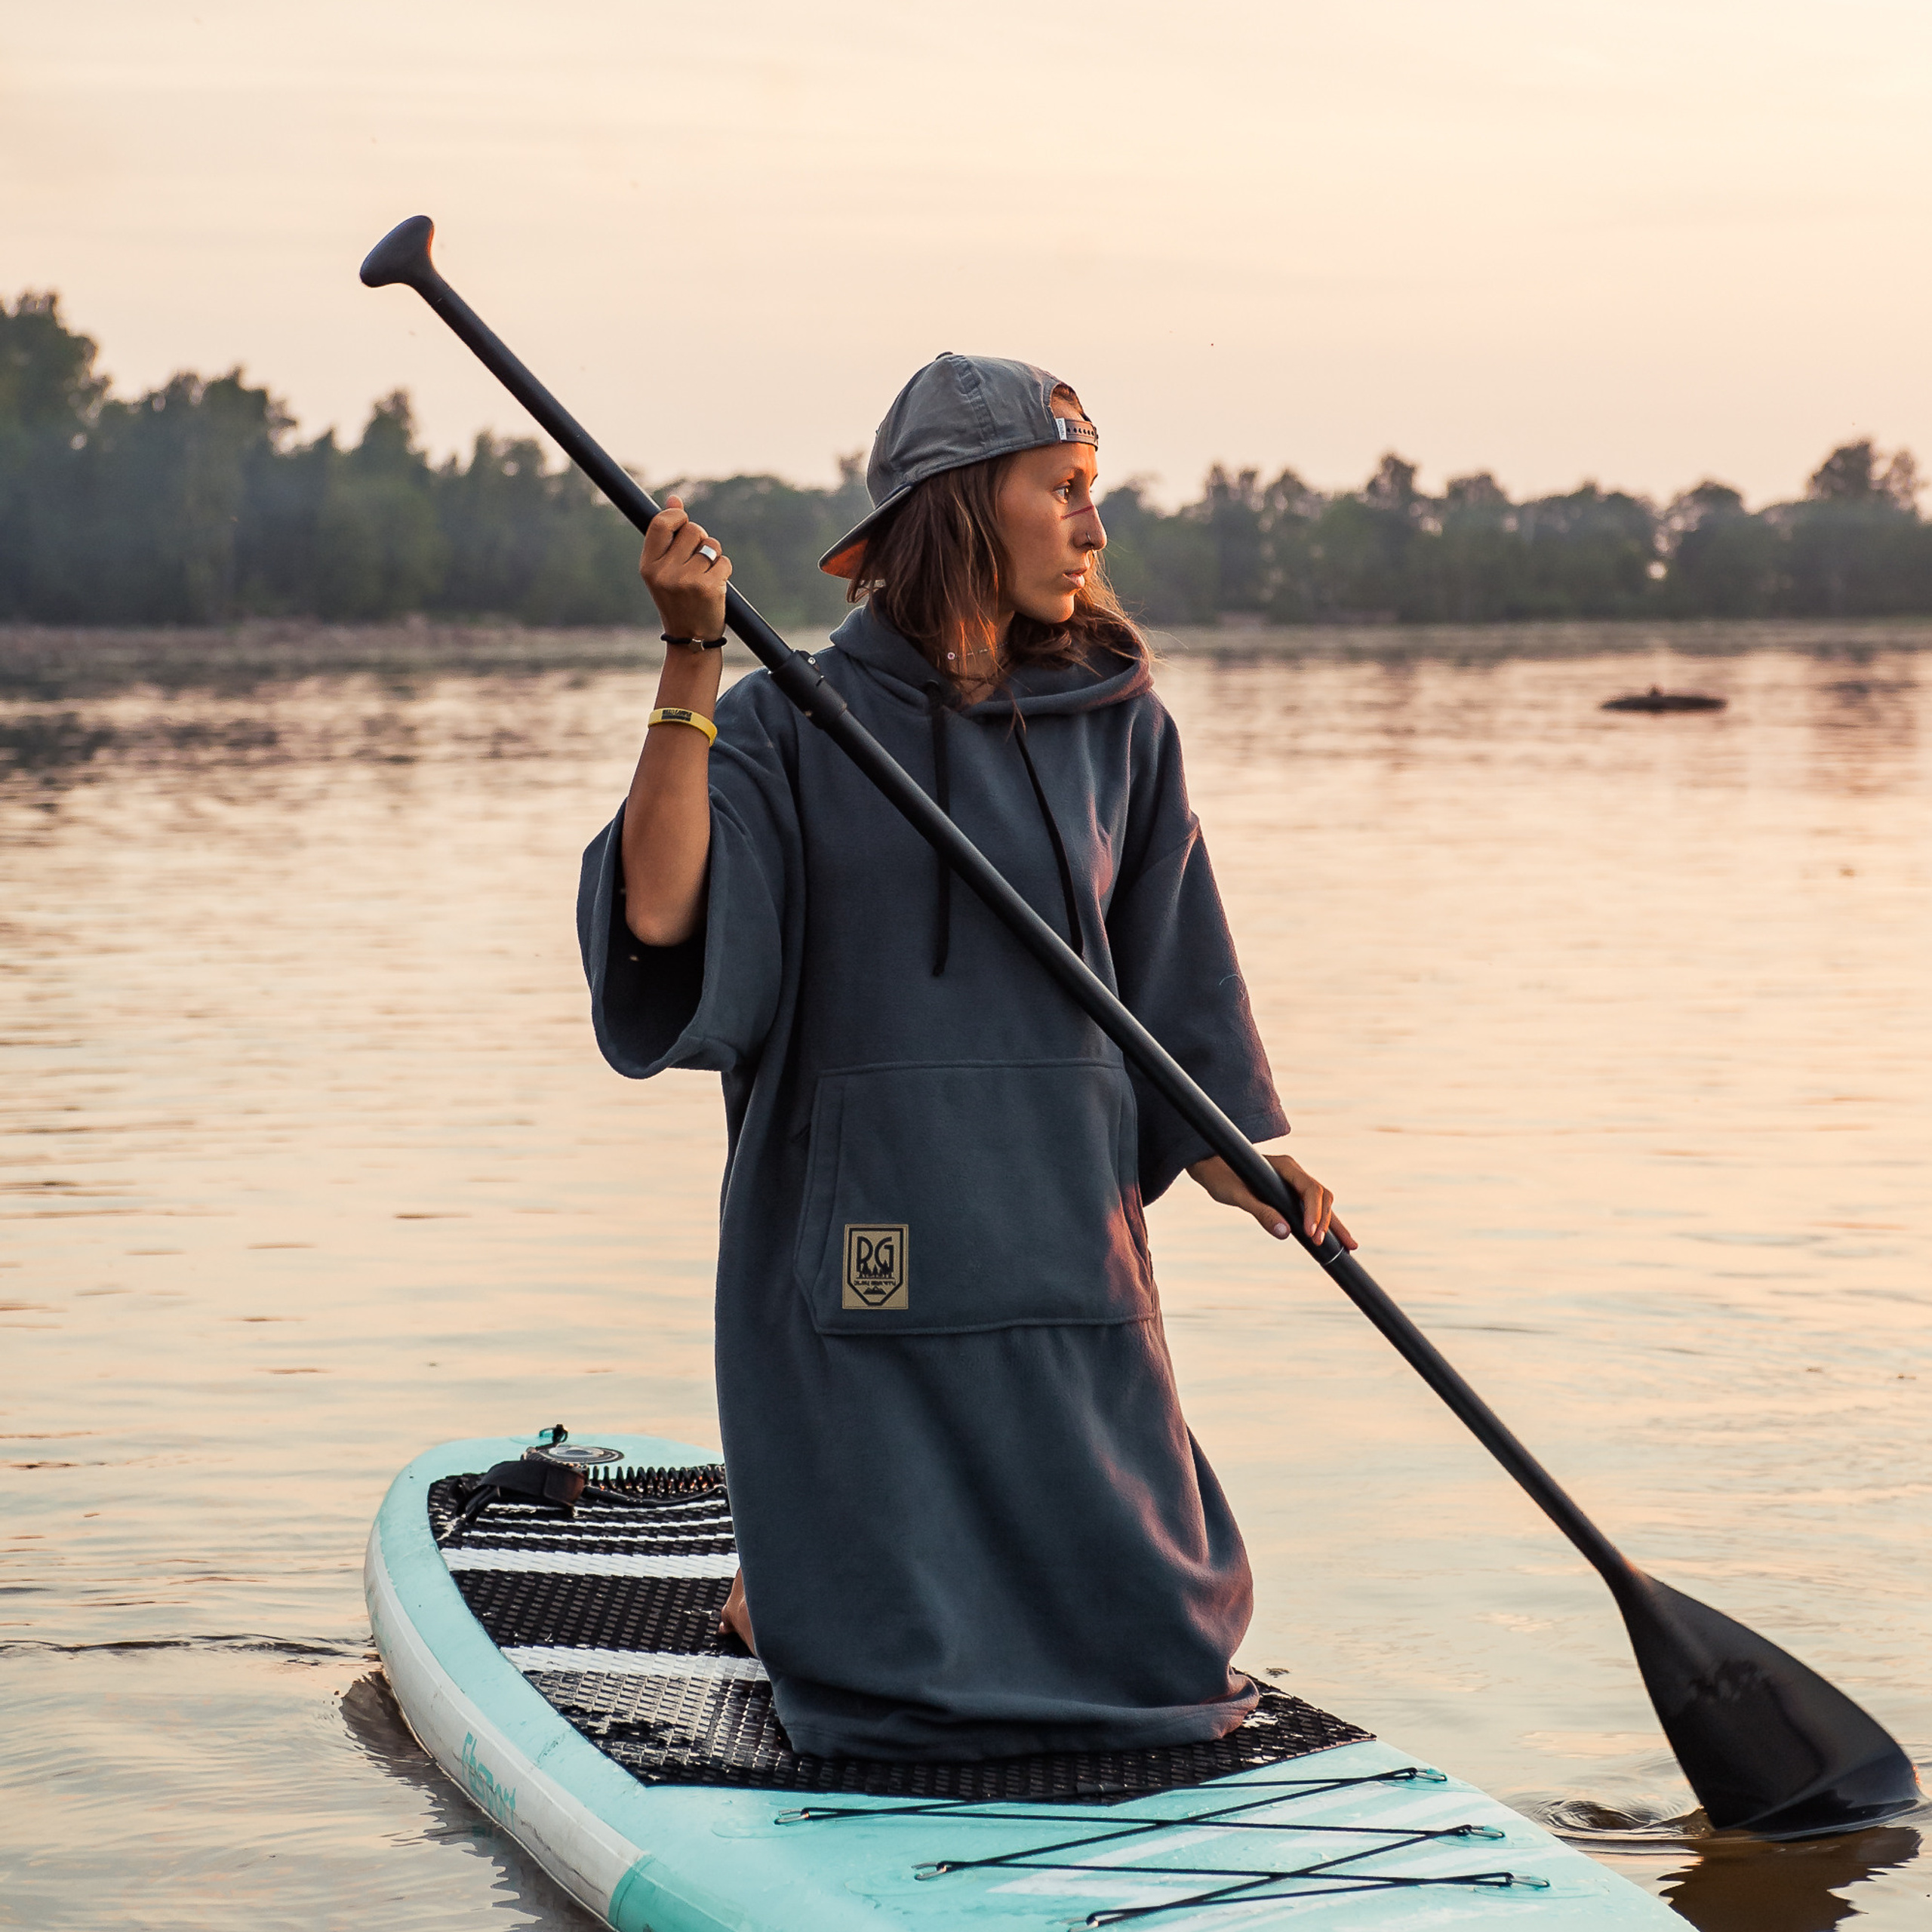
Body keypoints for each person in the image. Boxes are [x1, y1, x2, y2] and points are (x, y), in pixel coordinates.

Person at [577, 352, 1353, 1762]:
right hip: (868, 1227)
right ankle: (796, 1597)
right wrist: (692, 657)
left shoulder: (1121, 726)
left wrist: (1237, 1148)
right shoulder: (785, 721)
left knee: (1166, 1656)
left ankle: (800, 1591)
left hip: (1062, 1221)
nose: (1094, 528)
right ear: (960, 509)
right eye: (1061, 490)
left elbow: (1173, 966)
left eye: (1092, 491)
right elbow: (660, 912)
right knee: (885, 1682)